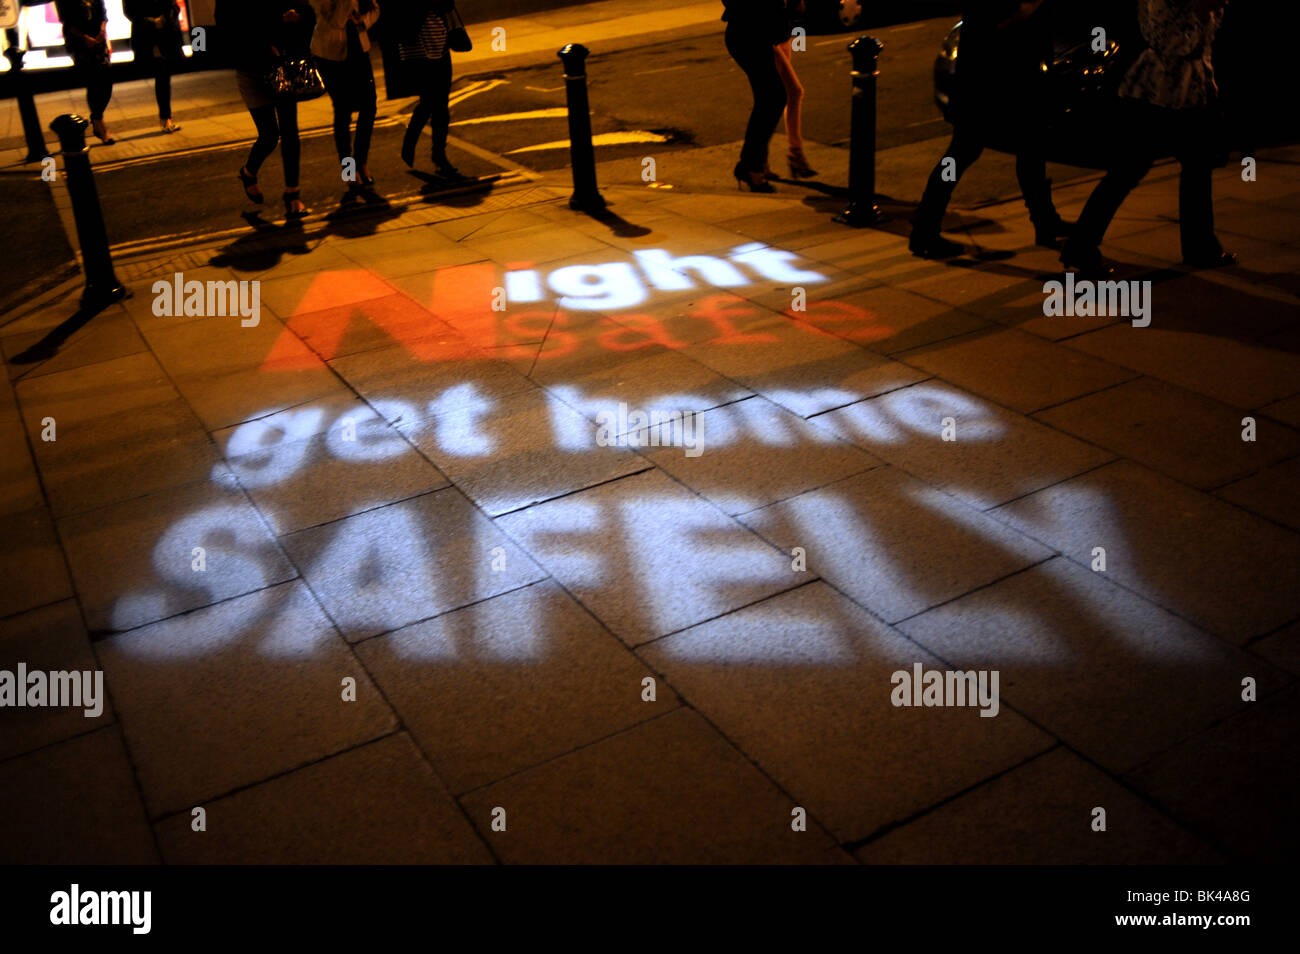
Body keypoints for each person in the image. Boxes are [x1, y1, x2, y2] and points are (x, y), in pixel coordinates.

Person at [1061, 0, 1234, 274]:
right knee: (1130, 170)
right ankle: (1081, 246)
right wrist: (1204, 11)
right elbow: (1177, 39)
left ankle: (1200, 247)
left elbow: (1204, 35)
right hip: (1161, 88)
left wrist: (1206, 70)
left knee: (1195, 168)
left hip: (1187, 86)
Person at [909, 1, 1069, 258]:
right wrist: (1023, 13)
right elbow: (990, 29)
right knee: (961, 154)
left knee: (1031, 149)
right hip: (987, 85)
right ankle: (925, 229)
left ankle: (1045, 222)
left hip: (1013, 80)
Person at [218, 0, 317, 218]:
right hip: (250, 69)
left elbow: (307, 11)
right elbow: (226, 26)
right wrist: (263, 40)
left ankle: (293, 195)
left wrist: (298, 16)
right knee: (270, 134)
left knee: (290, 130)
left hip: (283, 65)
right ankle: (249, 172)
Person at [310, 0, 381, 198]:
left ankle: (362, 161)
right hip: (331, 56)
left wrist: (361, 21)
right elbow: (338, 21)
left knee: (369, 107)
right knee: (343, 111)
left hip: (359, 49)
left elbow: (374, 7)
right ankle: (349, 170)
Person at [722, 0, 789, 192]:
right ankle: (751, 166)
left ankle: (757, 162)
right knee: (772, 98)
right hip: (748, 36)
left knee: (769, 98)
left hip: (752, 34)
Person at [392, 0, 461, 178]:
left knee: (441, 105)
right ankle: (413, 143)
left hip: (441, 46)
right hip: (418, 51)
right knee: (429, 102)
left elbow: (447, 5)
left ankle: (439, 155)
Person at [54, 0, 116, 144]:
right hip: (79, 42)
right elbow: (67, 22)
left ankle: (96, 118)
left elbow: (103, 14)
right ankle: (99, 123)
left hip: (99, 39)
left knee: (107, 79)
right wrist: (85, 38)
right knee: (93, 80)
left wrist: (101, 32)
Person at [124, 1, 185, 134]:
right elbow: (130, 11)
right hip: (148, 37)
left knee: (163, 77)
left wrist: (163, 19)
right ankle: (165, 118)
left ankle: (165, 118)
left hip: (165, 35)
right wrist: (153, 22)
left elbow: (174, 7)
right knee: (162, 77)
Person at [773, 0, 815, 178]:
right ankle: (795, 153)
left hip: (782, 33)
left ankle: (790, 155)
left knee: (782, 95)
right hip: (770, 38)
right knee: (793, 92)